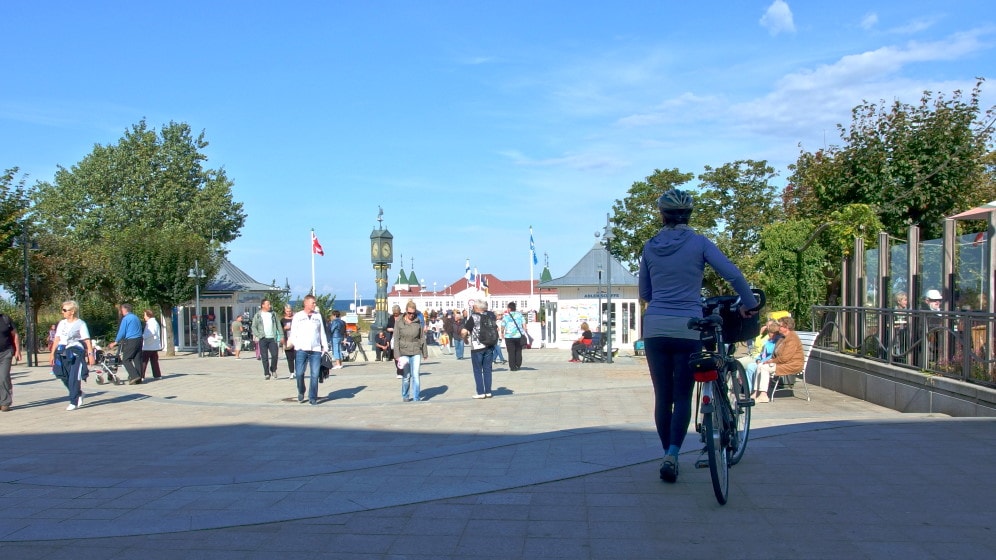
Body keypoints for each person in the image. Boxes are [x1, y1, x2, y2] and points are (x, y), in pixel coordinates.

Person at [639, 189, 758, 483]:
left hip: (654, 328)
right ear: (689, 215)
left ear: (662, 215)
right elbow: (732, 274)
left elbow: (645, 293)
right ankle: (675, 452)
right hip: (687, 326)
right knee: (682, 395)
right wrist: (750, 303)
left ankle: (668, 454)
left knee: (662, 396)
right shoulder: (700, 243)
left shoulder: (650, 247)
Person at [50, 300, 95, 410]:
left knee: (74, 377)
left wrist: (90, 355)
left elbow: (87, 340)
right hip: (62, 352)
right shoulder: (61, 323)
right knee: (62, 375)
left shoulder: (81, 324)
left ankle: (73, 401)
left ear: (72, 311)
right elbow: (57, 339)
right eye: (62, 309)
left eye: (65, 310)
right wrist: (52, 354)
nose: (62, 312)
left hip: (75, 353)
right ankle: (79, 393)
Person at [289, 295, 328, 405]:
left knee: (315, 374)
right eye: (313, 303)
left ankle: (312, 397)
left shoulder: (318, 316)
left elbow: (321, 332)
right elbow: (293, 333)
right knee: (300, 373)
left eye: (315, 303)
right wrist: (297, 345)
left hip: (315, 349)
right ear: (306, 303)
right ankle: (301, 390)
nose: (315, 305)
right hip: (301, 349)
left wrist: (325, 346)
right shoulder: (298, 316)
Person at [760, 316, 805, 399]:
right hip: (782, 362)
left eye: (780, 326)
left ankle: (763, 395)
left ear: (786, 327)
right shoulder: (783, 337)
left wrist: (771, 361)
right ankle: (756, 393)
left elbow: (785, 358)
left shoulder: (792, 339)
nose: (778, 328)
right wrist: (768, 360)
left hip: (792, 365)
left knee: (764, 367)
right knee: (760, 365)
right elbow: (776, 353)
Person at [463, 300, 497, 398]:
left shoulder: (474, 317)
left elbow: (464, 331)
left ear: (477, 308)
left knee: (477, 370)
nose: (473, 308)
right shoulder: (491, 316)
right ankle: (488, 391)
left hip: (477, 347)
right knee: (487, 369)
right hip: (490, 345)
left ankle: (481, 392)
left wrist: (465, 339)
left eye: (474, 307)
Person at [395, 300, 428, 402]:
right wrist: (396, 354)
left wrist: (425, 352)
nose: (411, 315)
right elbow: (396, 339)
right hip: (404, 352)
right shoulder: (399, 322)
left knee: (416, 375)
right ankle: (405, 395)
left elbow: (422, 338)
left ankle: (416, 397)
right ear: (406, 311)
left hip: (416, 351)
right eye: (409, 313)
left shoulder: (418, 322)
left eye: (413, 313)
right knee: (406, 376)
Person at [745, 320, 782, 401]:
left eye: (771, 333)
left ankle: (759, 392)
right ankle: (752, 390)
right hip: (762, 360)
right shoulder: (769, 341)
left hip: (768, 362)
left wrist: (762, 361)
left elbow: (773, 356)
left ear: (775, 334)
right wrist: (758, 359)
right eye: (768, 332)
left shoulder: (777, 342)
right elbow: (762, 353)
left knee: (759, 366)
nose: (769, 334)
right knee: (750, 367)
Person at [107, 303, 144, 385]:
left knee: (126, 359)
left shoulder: (126, 319)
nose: (121, 311)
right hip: (139, 339)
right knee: (137, 359)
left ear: (124, 310)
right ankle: (139, 378)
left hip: (131, 340)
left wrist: (115, 342)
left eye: (122, 310)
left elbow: (122, 332)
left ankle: (134, 376)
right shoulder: (136, 317)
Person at [252, 299, 283, 380]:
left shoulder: (273, 314)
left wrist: (281, 335)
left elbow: (278, 325)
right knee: (264, 357)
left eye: (270, 304)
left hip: (272, 338)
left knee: (275, 355)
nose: (270, 306)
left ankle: (273, 369)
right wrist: (258, 335)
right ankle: (266, 373)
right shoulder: (258, 315)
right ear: (263, 305)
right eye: (268, 304)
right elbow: (253, 326)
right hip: (263, 338)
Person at [0, 310, 22, 412]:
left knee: (3, 377)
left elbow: (15, 335)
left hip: (6, 352)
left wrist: (18, 350)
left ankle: (5, 403)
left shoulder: (5, 319)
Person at [501, 302, 527, 371]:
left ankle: (512, 367)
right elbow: (524, 324)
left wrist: (502, 332)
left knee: (511, 352)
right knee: (518, 350)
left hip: (509, 336)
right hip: (518, 336)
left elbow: (503, 325)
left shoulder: (506, 316)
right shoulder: (520, 315)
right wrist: (523, 332)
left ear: (509, 308)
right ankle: (518, 364)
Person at [141, 309, 163, 380]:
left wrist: (142, 337)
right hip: (153, 345)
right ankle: (157, 375)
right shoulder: (154, 322)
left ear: (148, 315)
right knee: (154, 361)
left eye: (144, 315)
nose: (144, 317)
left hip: (149, 345)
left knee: (144, 361)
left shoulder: (151, 323)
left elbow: (151, 332)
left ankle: (141, 375)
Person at [387, 304, 403, 377]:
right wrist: (390, 329)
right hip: (393, 338)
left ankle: (401, 371)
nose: (395, 314)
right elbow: (387, 327)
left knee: (402, 355)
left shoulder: (403, 317)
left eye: (397, 313)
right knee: (395, 355)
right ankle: (399, 370)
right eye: (394, 313)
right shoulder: (391, 317)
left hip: (402, 338)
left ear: (399, 311)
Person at [280, 305, 295, 377]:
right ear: (285, 311)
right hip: (287, 340)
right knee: (289, 357)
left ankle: (298, 371)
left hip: (296, 340)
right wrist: (284, 329)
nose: (289, 313)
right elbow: (279, 330)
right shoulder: (282, 320)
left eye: (290, 311)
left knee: (297, 357)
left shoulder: (295, 319)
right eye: (287, 311)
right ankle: (291, 372)